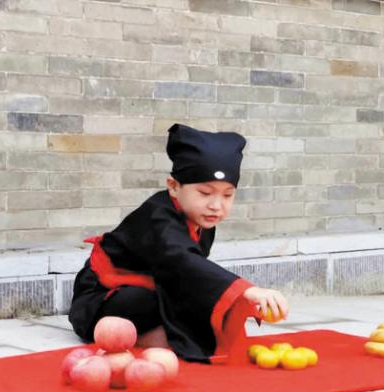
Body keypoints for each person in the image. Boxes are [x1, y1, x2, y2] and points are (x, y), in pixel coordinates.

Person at [69, 123, 289, 364]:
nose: (216, 205)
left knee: (204, 304)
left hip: (159, 289)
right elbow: (182, 262)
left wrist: (239, 302)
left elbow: (190, 278)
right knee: (144, 300)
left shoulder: (201, 219)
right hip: (103, 298)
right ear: (174, 187)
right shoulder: (158, 217)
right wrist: (247, 291)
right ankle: (144, 335)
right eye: (205, 193)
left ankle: (161, 333)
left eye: (227, 195)